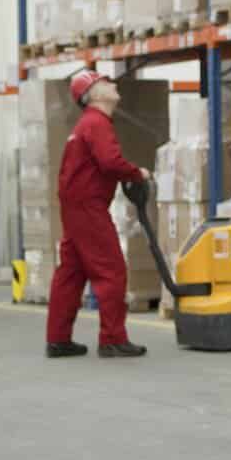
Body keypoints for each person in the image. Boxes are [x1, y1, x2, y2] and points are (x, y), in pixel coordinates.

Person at [44, 70, 151, 359]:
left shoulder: (86, 124)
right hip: (88, 206)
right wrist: (136, 172)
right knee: (111, 270)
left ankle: (58, 339)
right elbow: (110, 162)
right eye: (106, 82)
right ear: (93, 94)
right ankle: (113, 339)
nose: (113, 84)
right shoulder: (97, 122)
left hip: (75, 205)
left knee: (71, 272)